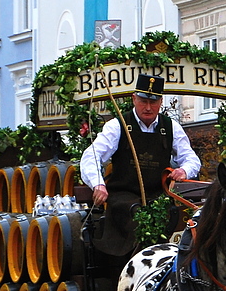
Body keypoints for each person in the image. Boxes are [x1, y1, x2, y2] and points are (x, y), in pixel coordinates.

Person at [79, 74, 201, 259]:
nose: (148, 107)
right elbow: (91, 156)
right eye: (143, 101)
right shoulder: (118, 126)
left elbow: (191, 159)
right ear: (134, 99)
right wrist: (98, 184)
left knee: (173, 215)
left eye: (153, 102)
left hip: (158, 197)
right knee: (136, 212)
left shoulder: (170, 127)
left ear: (161, 102)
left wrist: (184, 170)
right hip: (123, 196)